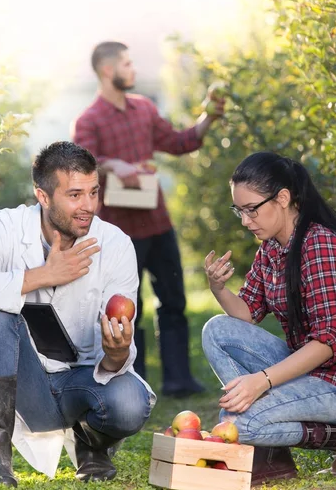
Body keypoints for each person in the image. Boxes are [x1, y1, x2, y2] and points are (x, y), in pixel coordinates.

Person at [0, 141, 155, 487]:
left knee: (131, 403)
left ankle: (92, 447)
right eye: (74, 195)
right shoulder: (7, 227)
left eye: (93, 192)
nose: (88, 206)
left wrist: (117, 353)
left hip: (83, 384)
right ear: (43, 197)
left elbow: (117, 353)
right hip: (27, 385)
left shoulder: (115, 244)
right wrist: (43, 275)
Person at [202, 151, 336, 486]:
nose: (244, 220)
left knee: (241, 424)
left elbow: (328, 343)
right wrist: (218, 288)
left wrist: (262, 382)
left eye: (251, 209)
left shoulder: (321, 246)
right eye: (238, 210)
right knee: (217, 331)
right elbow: (247, 315)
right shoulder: (271, 248)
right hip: (320, 372)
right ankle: (272, 457)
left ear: (282, 198)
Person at [72, 40, 225, 398]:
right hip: (119, 233)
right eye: (127, 63)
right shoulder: (89, 120)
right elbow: (82, 163)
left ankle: (178, 380)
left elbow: (180, 141)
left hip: (158, 223)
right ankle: (132, 381)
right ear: (108, 70)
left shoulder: (143, 108)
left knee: (174, 303)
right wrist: (114, 165)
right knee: (125, 310)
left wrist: (209, 118)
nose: (134, 69)